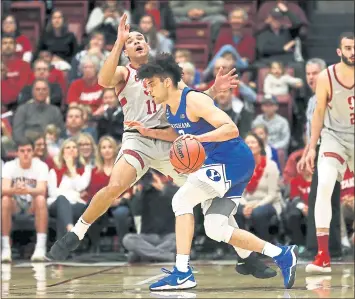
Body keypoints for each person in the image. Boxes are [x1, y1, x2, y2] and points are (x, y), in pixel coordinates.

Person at [47, 14, 273, 281]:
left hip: (173, 141)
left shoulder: (166, 74)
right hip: (138, 139)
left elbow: (190, 101)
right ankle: (77, 233)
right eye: (131, 40)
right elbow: (103, 80)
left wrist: (213, 90)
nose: (136, 41)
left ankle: (247, 258)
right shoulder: (124, 72)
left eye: (139, 38)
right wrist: (118, 42)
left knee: (209, 198)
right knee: (115, 185)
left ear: (148, 45)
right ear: (126, 50)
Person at [133, 53, 298, 290]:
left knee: (181, 200)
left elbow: (230, 129)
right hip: (230, 163)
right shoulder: (170, 108)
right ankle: (281, 254)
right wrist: (150, 132)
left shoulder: (192, 100)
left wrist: (198, 139)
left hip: (229, 160)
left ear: (166, 81)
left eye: (151, 83)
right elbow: (178, 132)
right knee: (216, 228)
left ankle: (182, 272)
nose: (148, 90)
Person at [304, 32, 354, 273]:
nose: (352, 52)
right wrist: (311, 147)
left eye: (354, 48)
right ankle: (323, 255)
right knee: (324, 185)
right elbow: (318, 113)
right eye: (348, 48)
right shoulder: (326, 76)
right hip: (334, 137)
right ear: (339, 51)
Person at [2, 139, 49, 262]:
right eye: (22, 151)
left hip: (31, 205)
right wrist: (16, 189)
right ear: (17, 153)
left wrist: (26, 189)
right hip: (16, 204)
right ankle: (6, 248)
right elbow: (4, 189)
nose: (26, 154)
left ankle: (40, 247)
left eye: (28, 150)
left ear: (33, 152)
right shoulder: (9, 166)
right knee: (5, 200)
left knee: (40, 199)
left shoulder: (41, 166)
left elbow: (42, 190)